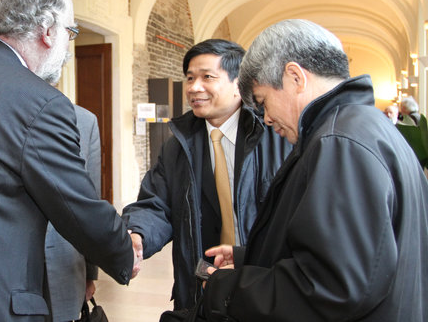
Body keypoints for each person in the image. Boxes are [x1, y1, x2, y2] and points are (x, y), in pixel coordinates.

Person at [201, 19, 428, 322]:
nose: (266, 119)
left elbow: (331, 287)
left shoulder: (339, 143)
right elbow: (359, 254)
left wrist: (226, 288)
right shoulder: (365, 127)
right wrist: (248, 257)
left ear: (295, 77)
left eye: (263, 101)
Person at [0, 0, 134, 322]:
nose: (68, 45)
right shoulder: (41, 104)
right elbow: (76, 206)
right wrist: (125, 252)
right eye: (70, 31)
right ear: (48, 28)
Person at [122, 39, 292, 311]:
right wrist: (138, 234)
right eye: (190, 78)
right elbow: (157, 204)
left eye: (207, 77)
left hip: (264, 288)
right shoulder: (178, 144)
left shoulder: (277, 136)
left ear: (240, 83)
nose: (194, 87)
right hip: (201, 288)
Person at [44, 105, 101, 322]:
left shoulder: (84, 121)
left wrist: (89, 272)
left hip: (65, 267)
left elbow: (91, 207)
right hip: (4, 275)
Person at [396, 96, 428, 168]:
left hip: (413, 155)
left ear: (404, 108)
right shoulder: (422, 118)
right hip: (423, 155)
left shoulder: (406, 121)